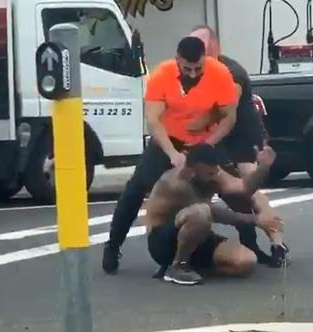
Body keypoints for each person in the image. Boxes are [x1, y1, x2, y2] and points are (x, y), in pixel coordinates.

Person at [102, 36, 239, 274]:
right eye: (188, 68)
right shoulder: (162, 75)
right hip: (168, 140)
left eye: (198, 68)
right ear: (177, 60)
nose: (194, 73)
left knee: (233, 189)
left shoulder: (220, 73)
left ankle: (254, 245)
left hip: (204, 142)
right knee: (134, 190)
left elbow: (229, 117)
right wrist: (172, 153)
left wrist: (207, 145)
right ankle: (113, 245)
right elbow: (153, 121)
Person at [187, 25, 290, 267]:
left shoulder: (231, 71)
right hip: (220, 135)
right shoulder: (195, 70)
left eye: (201, 47)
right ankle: (249, 242)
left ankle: (278, 243)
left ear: (214, 46)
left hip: (243, 135)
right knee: (229, 191)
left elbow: (225, 108)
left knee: (250, 191)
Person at [146, 143, 283, 285]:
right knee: (201, 212)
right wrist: (255, 220)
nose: (214, 176)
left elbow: (244, 188)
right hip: (163, 241)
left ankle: (195, 266)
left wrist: (263, 167)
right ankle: (178, 265)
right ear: (192, 171)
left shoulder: (211, 172)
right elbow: (212, 212)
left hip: (197, 236)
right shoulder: (176, 183)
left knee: (246, 262)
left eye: (215, 172)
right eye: (210, 174)